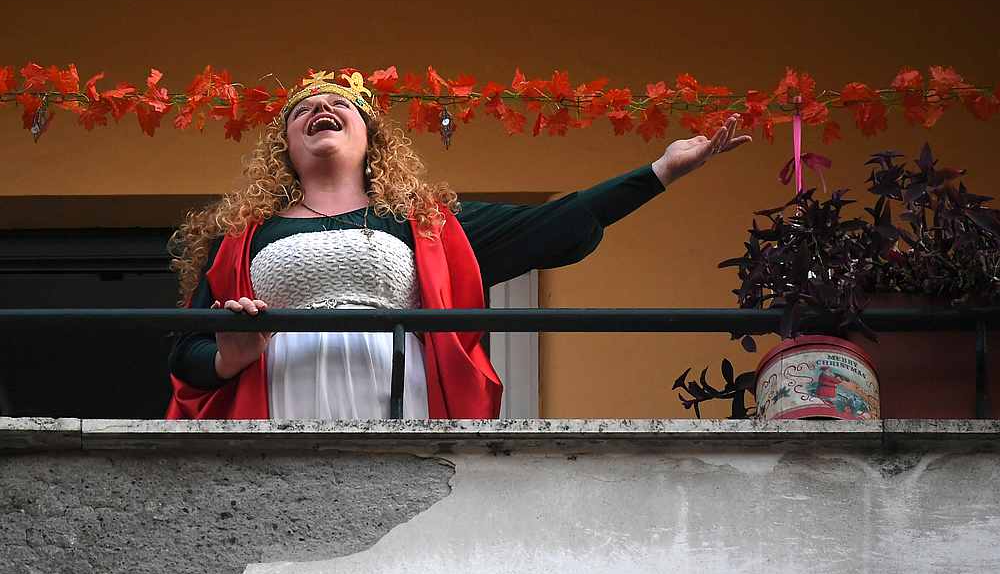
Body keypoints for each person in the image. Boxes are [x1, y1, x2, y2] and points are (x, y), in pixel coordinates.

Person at [166, 71, 751, 420]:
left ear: (372, 138)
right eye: (303, 110)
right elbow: (184, 353)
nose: (322, 108)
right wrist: (229, 356)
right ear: (285, 146)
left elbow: (556, 224)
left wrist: (659, 172)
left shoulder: (428, 225)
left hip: (395, 385)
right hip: (277, 393)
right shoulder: (240, 238)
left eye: (341, 104)